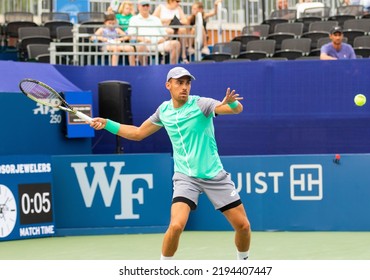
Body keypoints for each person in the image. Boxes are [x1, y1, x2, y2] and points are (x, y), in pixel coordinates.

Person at [89, 66, 251, 260]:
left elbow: (234, 110)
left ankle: (243, 264)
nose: (184, 87)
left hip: (214, 174)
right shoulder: (163, 111)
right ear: (168, 85)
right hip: (185, 178)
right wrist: (107, 123)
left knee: (243, 226)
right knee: (175, 226)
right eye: (179, 83)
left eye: (187, 83)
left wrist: (233, 104)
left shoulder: (201, 104)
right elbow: (138, 133)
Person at [127, 0, 180, 65]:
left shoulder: (156, 19)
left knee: (176, 44)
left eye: (147, 5)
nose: (145, 7)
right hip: (143, 44)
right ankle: (145, 69)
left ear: (149, 7)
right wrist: (142, 39)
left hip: (159, 44)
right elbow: (131, 35)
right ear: (138, 7)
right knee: (141, 47)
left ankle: (172, 68)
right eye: (143, 5)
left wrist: (163, 39)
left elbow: (164, 34)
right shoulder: (133, 19)